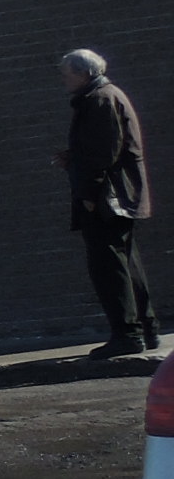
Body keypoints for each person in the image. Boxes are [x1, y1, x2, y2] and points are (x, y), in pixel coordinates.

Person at [59, 48, 157, 359]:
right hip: (120, 197)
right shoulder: (108, 95)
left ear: (83, 73)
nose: (64, 80)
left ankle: (127, 334)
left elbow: (103, 152)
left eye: (67, 74)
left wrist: (89, 195)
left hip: (108, 200)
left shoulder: (99, 99)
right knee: (127, 262)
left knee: (108, 266)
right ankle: (146, 328)